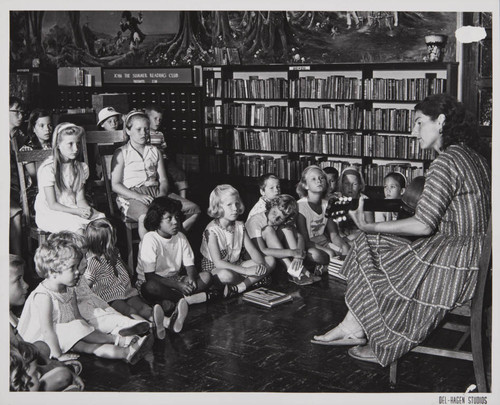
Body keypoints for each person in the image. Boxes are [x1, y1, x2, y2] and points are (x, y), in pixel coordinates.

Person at [312, 94, 491, 367]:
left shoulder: (446, 162)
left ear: (441, 122)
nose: (412, 131)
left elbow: (423, 224)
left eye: (419, 123)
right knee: (373, 244)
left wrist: (370, 225)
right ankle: (354, 326)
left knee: (370, 244)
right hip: (481, 260)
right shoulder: (474, 156)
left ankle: (379, 337)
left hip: (457, 263)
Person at [17, 237, 154, 365]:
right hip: (43, 342)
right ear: (53, 272)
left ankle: (126, 352)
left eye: (77, 267)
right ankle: (119, 339)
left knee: (88, 344)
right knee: (81, 337)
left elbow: (77, 317)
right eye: (72, 268)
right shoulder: (44, 296)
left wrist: (87, 331)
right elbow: (47, 331)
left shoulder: (70, 289)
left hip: (64, 332)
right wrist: (58, 355)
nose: (78, 272)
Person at [48, 231, 152, 341]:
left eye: (85, 255)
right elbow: (76, 315)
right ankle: (129, 330)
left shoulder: (80, 279)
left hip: (94, 309)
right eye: (81, 257)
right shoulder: (66, 285)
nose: (86, 261)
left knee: (113, 316)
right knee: (104, 321)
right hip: (85, 316)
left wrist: (107, 309)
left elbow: (93, 298)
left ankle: (131, 329)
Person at [10, 254, 84, 391]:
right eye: (18, 280)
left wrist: (51, 364)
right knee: (63, 375)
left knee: (41, 346)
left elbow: (24, 347)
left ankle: (48, 376)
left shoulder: (8, 317)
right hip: (14, 379)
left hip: (20, 365)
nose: (26, 285)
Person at [84, 218, 168, 339]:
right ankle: (149, 327)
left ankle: (166, 322)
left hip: (126, 292)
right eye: (113, 238)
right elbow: (87, 284)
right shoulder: (94, 262)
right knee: (129, 310)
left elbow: (125, 271)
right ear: (102, 243)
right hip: (110, 298)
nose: (116, 239)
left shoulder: (114, 253)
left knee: (142, 307)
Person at [200, 185, 275, 298]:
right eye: (229, 205)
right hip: (216, 269)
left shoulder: (240, 225)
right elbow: (218, 263)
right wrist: (246, 271)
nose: (235, 208)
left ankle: (241, 286)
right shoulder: (211, 230)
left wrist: (260, 265)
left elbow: (252, 250)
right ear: (218, 207)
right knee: (226, 275)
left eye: (237, 203)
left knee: (270, 260)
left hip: (236, 265)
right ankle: (255, 281)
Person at [34, 123, 105, 234]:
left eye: (78, 144)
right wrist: (76, 211)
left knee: (101, 221)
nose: (76, 149)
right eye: (70, 144)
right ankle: (79, 251)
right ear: (58, 145)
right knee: (78, 229)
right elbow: (52, 204)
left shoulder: (81, 167)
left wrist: (85, 209)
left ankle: (96, 251)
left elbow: (80, 199)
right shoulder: (49, 169)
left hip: (72, 207)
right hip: (51, 212)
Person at [145, 105, 201, 231]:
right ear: (147, 119)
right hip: (152, 161)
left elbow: (164, 148)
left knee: (180, 174)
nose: (157, 122)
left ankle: (183, 200)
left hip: (163, 160)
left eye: (160, 119)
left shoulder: (160, 134)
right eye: (154, 119)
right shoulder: (145, 134)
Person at [246, 194, 318, 284]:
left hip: (276, 253)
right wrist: (292, 252)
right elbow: (262, 250)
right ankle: (293, 271)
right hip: (253, 255)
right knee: (269, 229)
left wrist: (297, 257)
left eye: (280, 218)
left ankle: (299, 268)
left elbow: (300, 237)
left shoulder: (282, 221)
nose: (275, 218)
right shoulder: (255, 221)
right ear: (271, 206)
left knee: (286, 228)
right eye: (275, 212)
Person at [296, 166, 350, 271]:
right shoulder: (300, 206)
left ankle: (329, 269)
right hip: (307, 245)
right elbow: (305, 240)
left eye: (321, 178)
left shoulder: (327, 205)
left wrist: (344, 246)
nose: (319, 181)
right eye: (313, 179)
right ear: (305, 185)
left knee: (347, 249)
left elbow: (334, 235)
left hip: (323, 242)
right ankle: (320, 267)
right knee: (320, 255)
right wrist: (328, 251)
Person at [336, 165, 374, 241]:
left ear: (360, 185)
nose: (350, 187)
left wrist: (351, 237)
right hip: (341, 236)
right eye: (346, 184)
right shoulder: (338, 199)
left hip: (361, 235)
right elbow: (334, 227)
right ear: (341, 184)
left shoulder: (365, 200)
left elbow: (370, 226)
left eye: (355, 184)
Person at [9, 97, 27, 255]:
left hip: (20, 188)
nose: (21, 115)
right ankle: (16, 259)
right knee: (14, 213)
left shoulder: (21, 137)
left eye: (22, 112)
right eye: (17, 111)